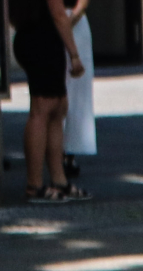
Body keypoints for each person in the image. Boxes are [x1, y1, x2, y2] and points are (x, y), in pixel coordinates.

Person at [11, 0, 86, 202]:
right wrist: (74, 54)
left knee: (58, 106)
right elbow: (58, 13)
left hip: (39, 37)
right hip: (40, 39)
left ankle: (58, 180)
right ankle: (34, 185)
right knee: (43, 107)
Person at [61, 0, 97, 188]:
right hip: (63, 21)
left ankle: (69, 152)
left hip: (69, 23)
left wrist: (67, 22)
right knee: (59, 92)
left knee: (76, 92)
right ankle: (61, 153)